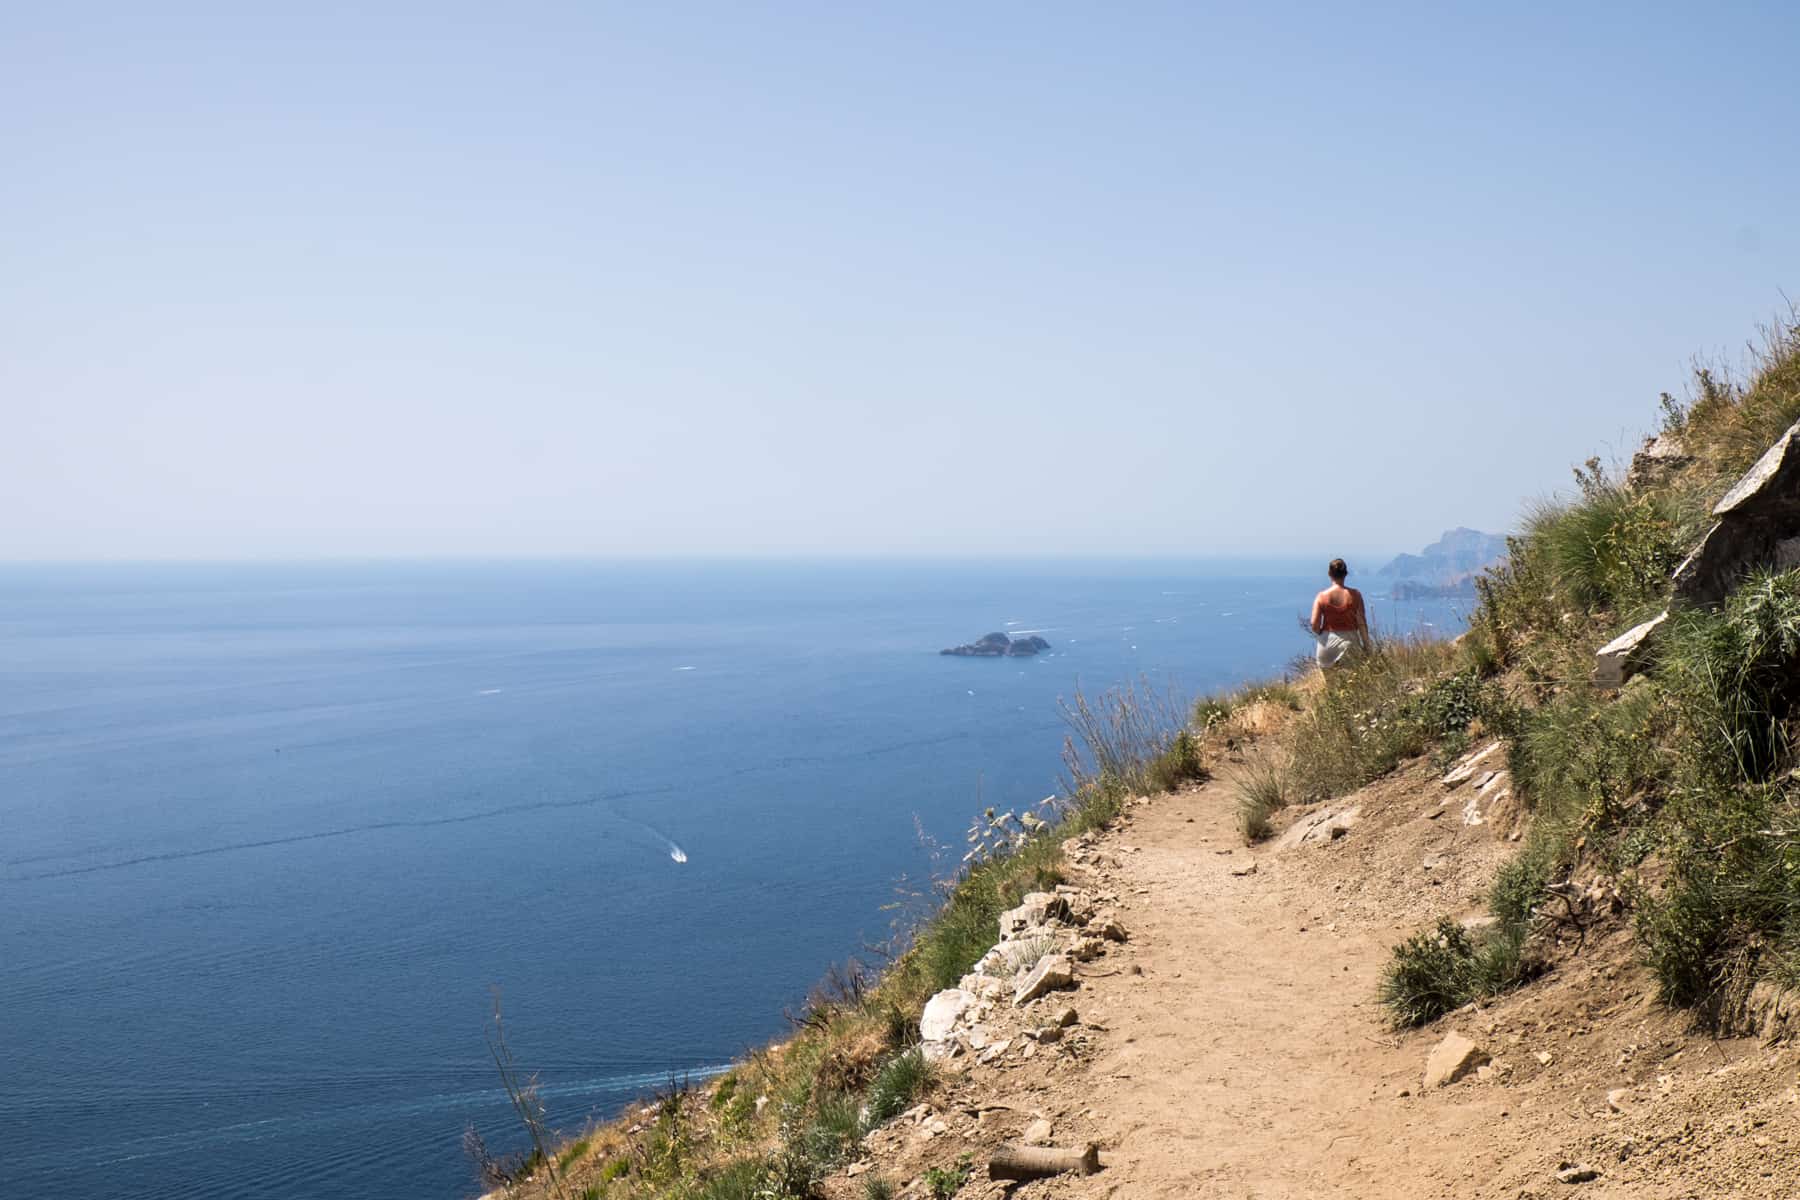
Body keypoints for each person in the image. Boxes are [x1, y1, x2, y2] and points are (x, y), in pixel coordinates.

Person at [1310, 558, 1370, 670]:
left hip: (1326, 643)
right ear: (1345, 574)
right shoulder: (1355, 595)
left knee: (1330, 686)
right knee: (1353, 683)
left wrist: (1322, 634)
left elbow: (1314, 625)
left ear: (1329, 574)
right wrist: (1367, 647)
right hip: (1349, 643)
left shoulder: (1321, 597)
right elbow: (1362, 624)